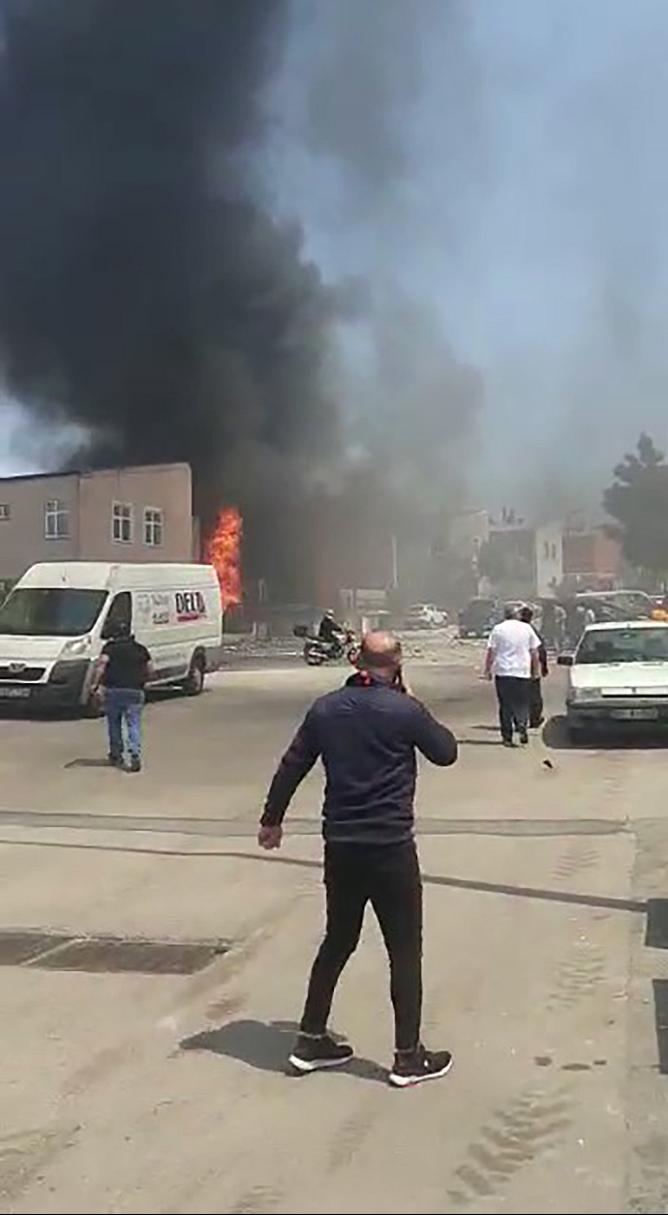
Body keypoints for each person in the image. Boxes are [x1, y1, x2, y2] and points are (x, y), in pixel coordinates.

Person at [258, 631, 458, 1088]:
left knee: (338, 940)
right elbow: (446, 753)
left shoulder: (326, 708)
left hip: (342, 846)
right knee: (403, 950)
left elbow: (293, 764)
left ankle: (310, 1040)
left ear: (357, 661)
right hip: (390, 847)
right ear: (398, 663)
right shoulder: (404, 710)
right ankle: (407, 1057)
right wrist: (414, 702)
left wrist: (272, 819)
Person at [91, 622, 154, 772]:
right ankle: (135, 754)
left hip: (114, 690)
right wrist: (144, 681)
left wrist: (95, 684)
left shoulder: (110, 648)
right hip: (135, 690)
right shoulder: (140, 649)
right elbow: (151, 669)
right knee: (133, 724)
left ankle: (116, 754)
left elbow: (101, 666)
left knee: (114, 723)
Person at [484, 604, 540, 746]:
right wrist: (535, 670)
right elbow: (534, 652)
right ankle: (521, 724)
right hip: (522, 672)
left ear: (505, 615)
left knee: (505, 705)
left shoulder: (498, 629)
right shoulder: (527, 628)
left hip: (503, 672)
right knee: (522, 702)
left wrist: (487, 669)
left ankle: (507, 737)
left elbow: (491, 651)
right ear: (518, 615)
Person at [519, 605, 549, 728]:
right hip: (531, 668)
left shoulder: (514, 630)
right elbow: (541, 649)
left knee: (518, 695)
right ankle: (534, 719)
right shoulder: (531, 630)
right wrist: (544, 665)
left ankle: (520, 720)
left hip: (516, 668)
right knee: (534, 696)